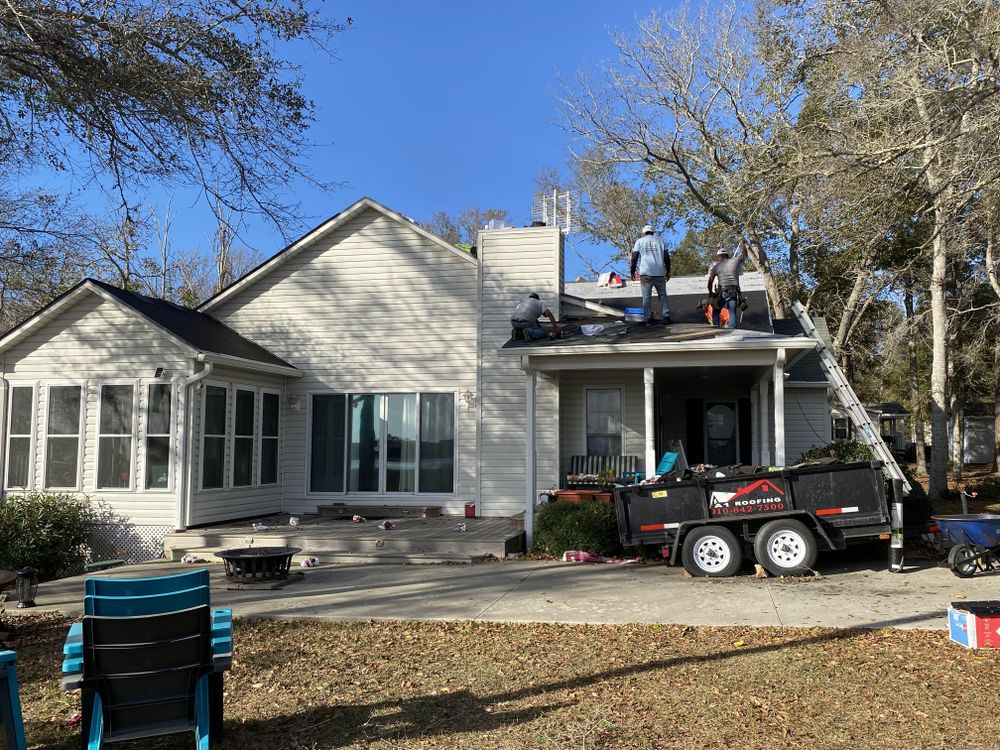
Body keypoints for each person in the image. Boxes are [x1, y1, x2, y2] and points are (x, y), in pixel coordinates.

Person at [629, 224, 673, 325]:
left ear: (643, 233)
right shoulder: (660, 240)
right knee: (662, 296)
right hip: (659, 273)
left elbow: (634, 257)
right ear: (653, 232)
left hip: (645, 274)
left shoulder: (639, 241)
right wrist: (668, 271)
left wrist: (632, 272)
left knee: (646, 297)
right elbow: (667, 257)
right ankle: (666, 316)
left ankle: (647, 318)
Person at [707, 237, 749, 329]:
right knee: (732, 311)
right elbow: (745, 255)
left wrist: (710, 293)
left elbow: (710, 281)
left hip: (722, 291)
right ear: (727, 255)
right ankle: (731, 331)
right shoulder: (734, 261)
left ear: (719, 257)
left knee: (716, 310)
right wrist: (742, 244)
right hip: (733, 291)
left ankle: (716, 328)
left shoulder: (716, 266)